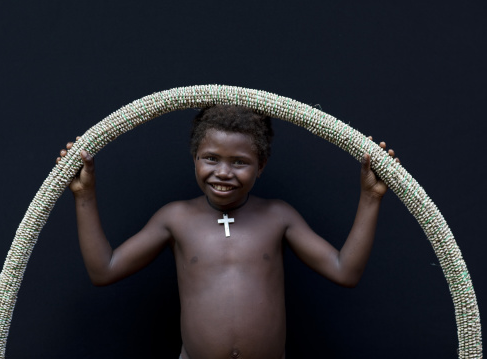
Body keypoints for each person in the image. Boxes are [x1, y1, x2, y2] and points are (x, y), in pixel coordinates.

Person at [57, 105, 399, 359]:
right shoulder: (175, 218)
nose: (223, 172)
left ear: (261, 166)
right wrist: (84, 195)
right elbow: (104, 270)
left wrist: (370, 198)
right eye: (210, 158)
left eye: (239, 162)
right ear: (194, 158)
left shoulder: (278, 216)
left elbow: (345, 271)